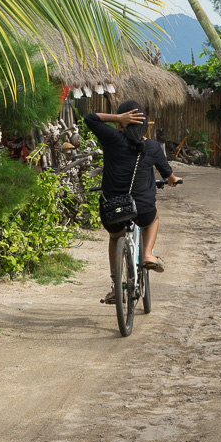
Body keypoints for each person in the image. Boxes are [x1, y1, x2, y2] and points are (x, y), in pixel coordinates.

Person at [83, 100, 182, 302]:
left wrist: (116, 118)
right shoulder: (153, 147)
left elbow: (90, 118)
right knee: (153, 217)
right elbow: (169, 175)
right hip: (142, 207)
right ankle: (147, 254)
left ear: (122, 123)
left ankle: (115, 286)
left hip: (112, 207)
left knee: (115, 236)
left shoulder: (112, 138)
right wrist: (173, 180)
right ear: (145, 124)